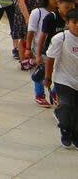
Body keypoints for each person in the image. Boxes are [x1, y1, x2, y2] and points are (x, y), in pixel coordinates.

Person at [43, 8, 78, 149]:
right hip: (63, 79)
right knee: (66, 105)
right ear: (67, 23)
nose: (77, 25)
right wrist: (48, 77)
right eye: (74, 22)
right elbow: (50, 58)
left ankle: (75, 134)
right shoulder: (60, 38)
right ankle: (64, 129)